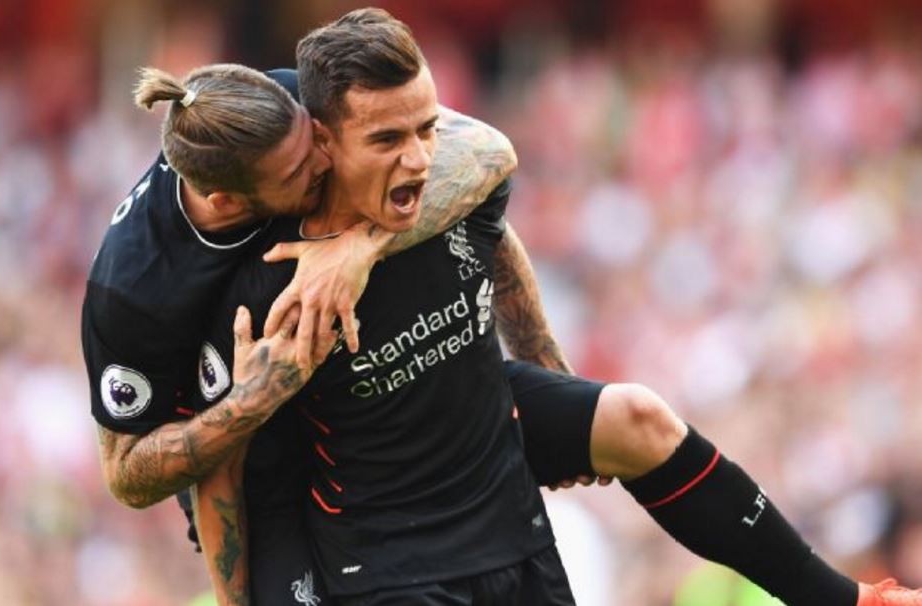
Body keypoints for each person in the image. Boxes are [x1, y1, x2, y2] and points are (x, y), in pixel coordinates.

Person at [190, 9, 922, 606]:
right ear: (320, 143)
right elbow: (225, 466)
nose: (417, 158)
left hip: (507, 525)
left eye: (425, 129)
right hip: (390, 569)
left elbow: (500, 245)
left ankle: (847, 601)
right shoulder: (268, 279)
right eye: (386, 139)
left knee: (637, 416)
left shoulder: (456, 193)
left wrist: (550, 377)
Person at [83, 57, 519, 517]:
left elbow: (482, 157)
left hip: (376, 427)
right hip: (260, 488)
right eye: (296, 172)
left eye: (314, 137)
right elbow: (125, 475)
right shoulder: (132, 292)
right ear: (227, 202)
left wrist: (357, 249)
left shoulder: (282, 104)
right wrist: (250, 403)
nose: (325, 159)